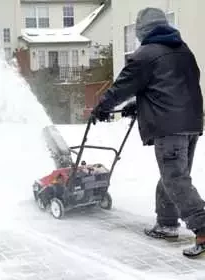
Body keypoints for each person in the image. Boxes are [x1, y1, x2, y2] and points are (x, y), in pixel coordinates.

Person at [92, 7, 205, 257]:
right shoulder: (183, 50)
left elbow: (122, 87)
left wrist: (101, 107)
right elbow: (172, 86)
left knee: (175, 179)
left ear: (143, 30)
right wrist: (141, 104)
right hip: (192, 122)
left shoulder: (145, 54)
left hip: (170, 126)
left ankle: (203, 228)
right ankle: (166, 223)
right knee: (175, 176)